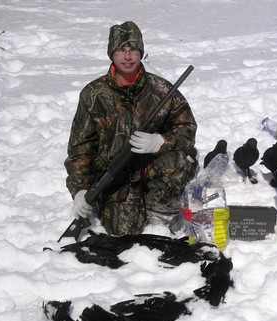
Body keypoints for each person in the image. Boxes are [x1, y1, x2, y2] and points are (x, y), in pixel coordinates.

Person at [65, 21, 197, 236]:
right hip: (115, 178)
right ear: (112, 54)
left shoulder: (161, 90)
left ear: (141, 53)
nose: (127, 57)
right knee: (124, 233)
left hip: (152, 169)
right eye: (121, 50)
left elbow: (187, 129)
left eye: (133, 50)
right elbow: (80, 148)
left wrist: (160, 142)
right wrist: (80, 189)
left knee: (178, 164)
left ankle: (159, 222)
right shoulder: (93, 94)